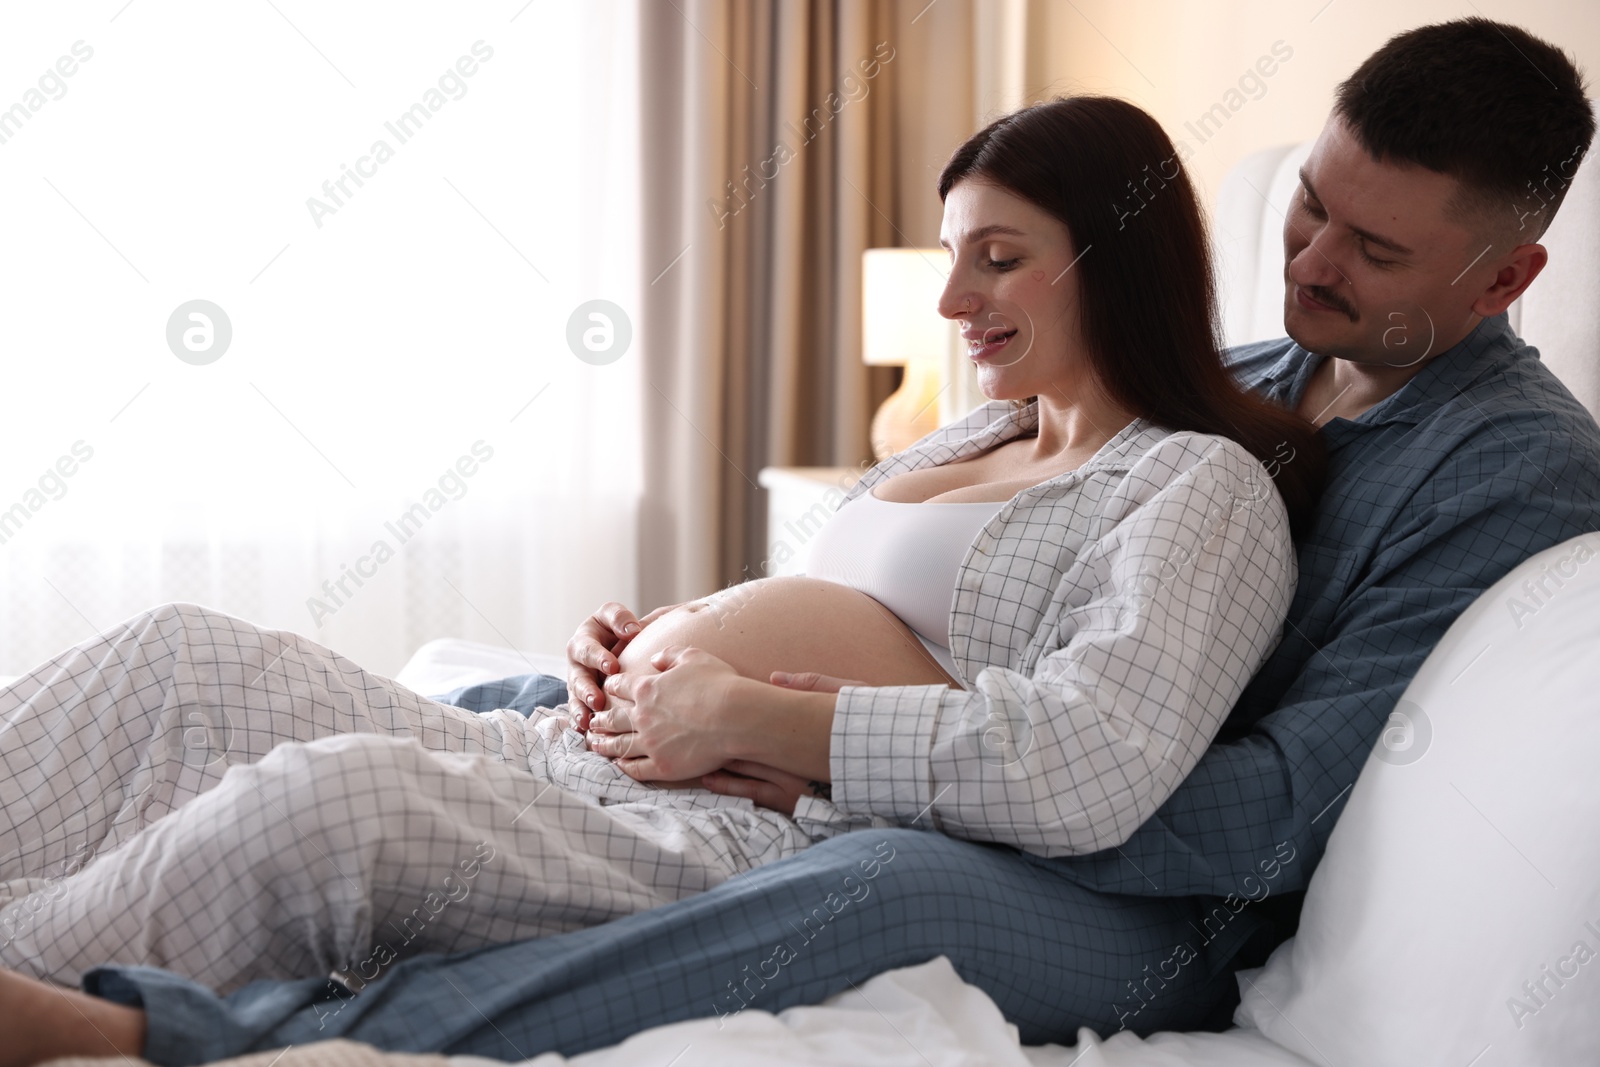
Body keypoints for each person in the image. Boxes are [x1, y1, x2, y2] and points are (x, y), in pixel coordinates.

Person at [0, 96, 1324, 1065]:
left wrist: (752, 717)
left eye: (999, 255)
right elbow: (826, 608)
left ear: (1117, 256)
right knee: (190, 659)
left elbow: (1091, 760)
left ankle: (28, 991)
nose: (953, 301)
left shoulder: (1194, 488)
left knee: (333, 807)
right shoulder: (978, 433)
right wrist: (649, 643)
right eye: (954, 254)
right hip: (580, 751)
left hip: (740, 832)